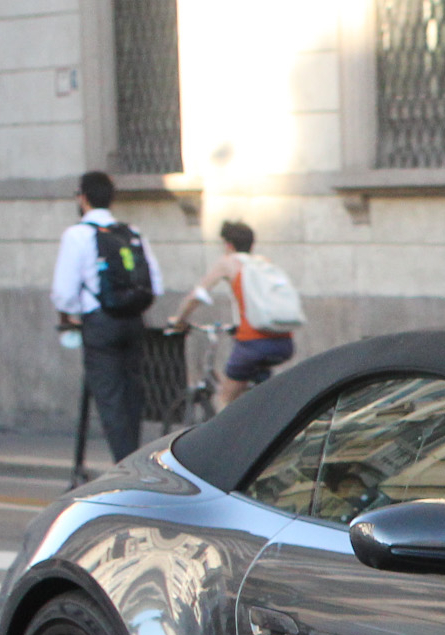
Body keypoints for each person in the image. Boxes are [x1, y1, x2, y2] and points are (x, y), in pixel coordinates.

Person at [50, 171, 164, 462]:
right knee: (132, 396)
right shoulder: (131, 232)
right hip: (133, 321)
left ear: (83, 197)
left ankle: (127, 469)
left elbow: (63, 292)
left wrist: (73, 314)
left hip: (100, 323)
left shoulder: (77, 234)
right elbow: (156, 283)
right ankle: (136, 460)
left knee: (111, 400)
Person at [165, 220, 296, 409]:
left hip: (253, 342)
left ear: (228, 245)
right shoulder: (264, 263)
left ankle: (226, 438)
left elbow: (197, 296)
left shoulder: (228, 263)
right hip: (283, 342)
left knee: (224, 399)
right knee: (257, 396)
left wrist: (179, 319)